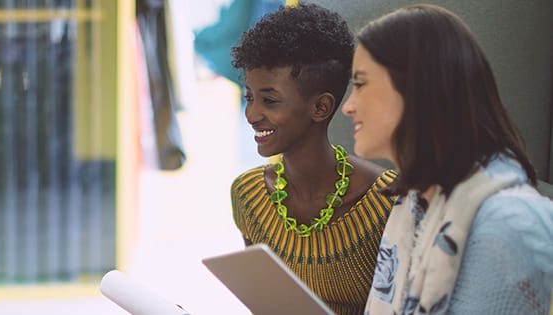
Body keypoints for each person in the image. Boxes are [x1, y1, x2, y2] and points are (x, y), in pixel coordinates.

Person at [341, 4, 553, 314]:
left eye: (360, 84)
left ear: (416, 85)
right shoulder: (415, 206)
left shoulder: (510, 223)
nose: (349, 106)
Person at [228, 3, 397, 314]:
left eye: (270, 100)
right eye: (249, 97)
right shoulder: (248, 195)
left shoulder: (388, 202)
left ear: (321, 108)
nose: (251, 114)